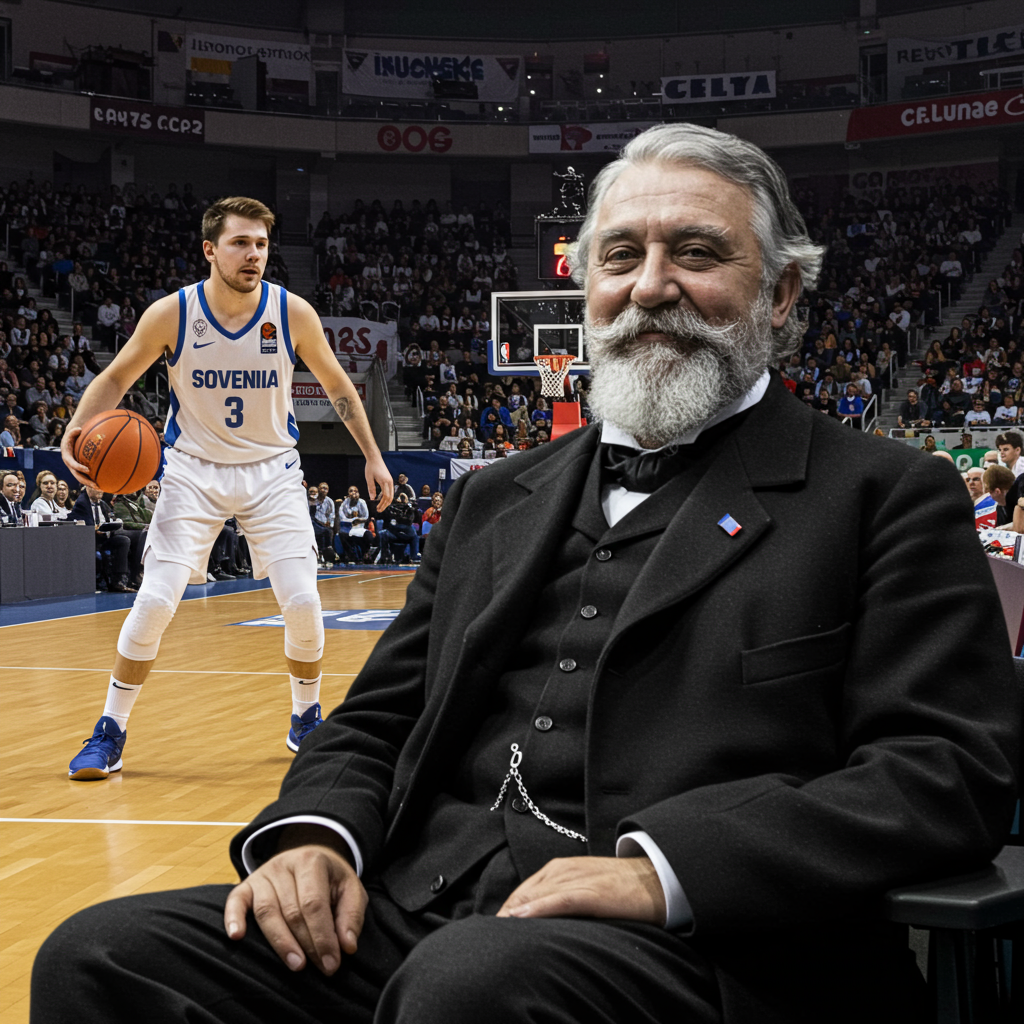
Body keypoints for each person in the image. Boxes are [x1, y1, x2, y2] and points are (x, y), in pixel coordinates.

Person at [33, 124, 1020, 1024]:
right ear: (584, 286)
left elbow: (944, 772)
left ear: (782, 292)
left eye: (698, 251)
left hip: (704, 950)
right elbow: (377, 720)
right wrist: (319, 837)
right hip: (424, 911)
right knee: (104, 956)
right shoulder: (490, 496)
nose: (650, 284)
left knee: (470, 987)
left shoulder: (883, 494)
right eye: (620, 256)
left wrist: (662, 869)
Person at [57, 195, 392, 782]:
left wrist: (372, 455)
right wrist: (75, 430)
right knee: (156, 600)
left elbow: (340, 384)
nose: (253, 255)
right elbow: (115, 376)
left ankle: (305, 718)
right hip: (193, 470)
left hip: (273, 473)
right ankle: (108, 731)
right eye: (241, 243)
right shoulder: (172, 313)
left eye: (261, 244)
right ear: (211, 249)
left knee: (305, 603)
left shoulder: (292, 313)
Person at [69, 484, 136, 593]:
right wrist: (94, 529)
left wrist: (113, 524)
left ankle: (119, 580)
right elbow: (83, 525)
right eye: (97, 488)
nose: (101, 491)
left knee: (123, 540)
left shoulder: (103, 504)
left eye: (102, 488)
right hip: (91, 540)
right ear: (88, 488)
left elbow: (109, 518)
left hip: (104, 537)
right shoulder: (81, 503)